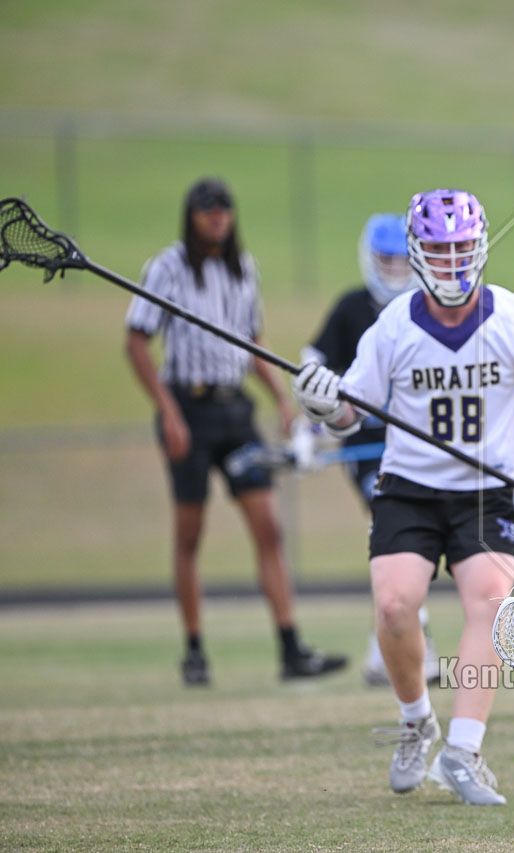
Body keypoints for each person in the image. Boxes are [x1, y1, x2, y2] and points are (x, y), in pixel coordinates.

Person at [292, 189, 514, 805]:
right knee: (395, 607)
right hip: (410, 489)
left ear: (480, 248)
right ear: (418, 253)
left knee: (491, 604)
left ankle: (463, 753)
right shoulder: (395, 325)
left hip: (485, 492)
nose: (452, 262)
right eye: (439, 249)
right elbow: (351, 412)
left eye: (461, 248)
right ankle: (416, 723)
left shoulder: (512, 317)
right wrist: (323, 405)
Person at [124, 177, 347, 686]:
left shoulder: (243, 268)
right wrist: (168, 412)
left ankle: (290, 647)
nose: (217, 218)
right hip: (188, 406)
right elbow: (137, 342)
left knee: (268, 527)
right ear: (191, 216)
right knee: (190, 533)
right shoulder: (167, 268)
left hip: (235, 410)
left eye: (223, 210)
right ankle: (194, 649)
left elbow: (250, 344)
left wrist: (282, 400)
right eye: (208, 210)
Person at [300, 213, 441, 687]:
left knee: (408, 542)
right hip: (366, 444)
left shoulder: (428, 311)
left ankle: (387, 647)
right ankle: (410, 642)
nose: (396, 271)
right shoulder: (351, 309)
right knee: (391, 530)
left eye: (403, 261)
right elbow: (314, 370)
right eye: (387, 261)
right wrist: (309, 430)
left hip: (417, 443)